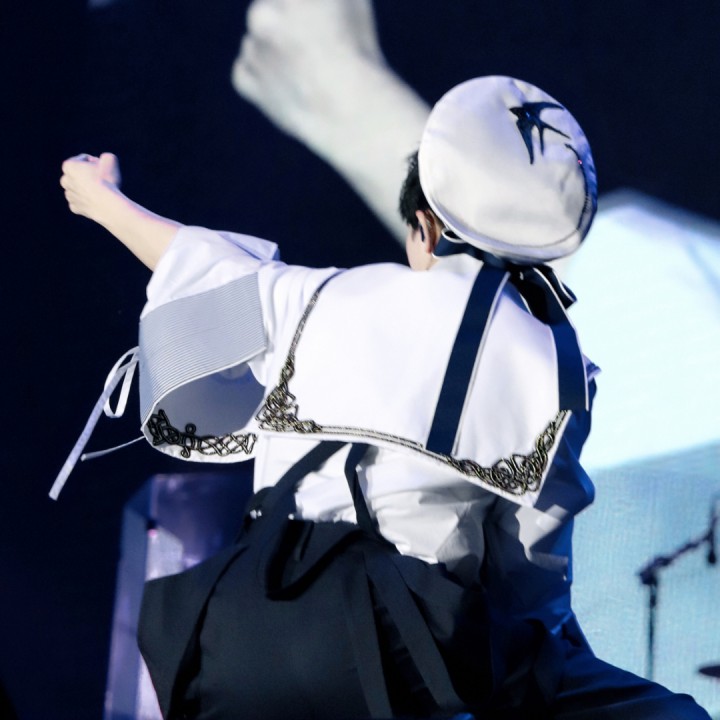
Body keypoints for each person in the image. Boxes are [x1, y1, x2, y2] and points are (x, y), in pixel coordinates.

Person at [58, 76, 710, 719]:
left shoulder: (316, 298)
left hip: (238, 642)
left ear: (424, 226)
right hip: (401, 658)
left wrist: (102, 197)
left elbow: (195, 259)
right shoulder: (550, 365)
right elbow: (527, 575)